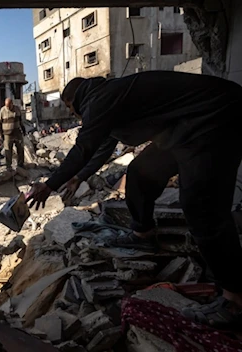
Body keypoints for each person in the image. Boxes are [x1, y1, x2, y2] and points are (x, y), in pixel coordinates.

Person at [25, 72, 242, 328]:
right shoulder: (105, 100)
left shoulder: (100, 100)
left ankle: (234, 299)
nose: (74, 115)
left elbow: (83, 147)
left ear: (75, 99)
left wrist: (49, 185)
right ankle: (143, 233)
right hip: (179, 130)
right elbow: (101, 148)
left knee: (202, 206)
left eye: (71, 109)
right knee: (140, 173)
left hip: (214, 118)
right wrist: (77, 177)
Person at [0, 98, 25, 171]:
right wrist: (0, 134)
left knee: (20, 148)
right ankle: (9, 166)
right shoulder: (2, 111)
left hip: (17, 132)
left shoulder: (17, 109)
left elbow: (21, 121)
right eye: (7, 106)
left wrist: (23, 129)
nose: (8, 108)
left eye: (9, 106)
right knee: (8, 150)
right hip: (7, 134)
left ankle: (20, 164)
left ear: (12, 104)